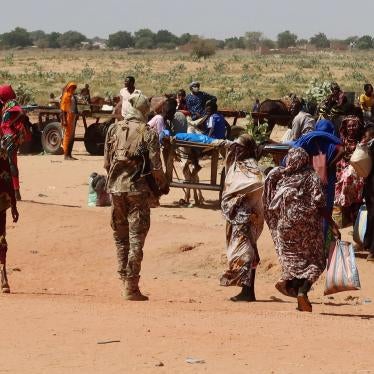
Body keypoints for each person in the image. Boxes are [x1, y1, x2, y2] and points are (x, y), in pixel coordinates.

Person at [104, 92, 168, 301]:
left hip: (115, 189)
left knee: (120, 237)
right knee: (136, 239)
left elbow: (106, 163)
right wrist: (162, 185)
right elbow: (156, 167)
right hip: (137, 191)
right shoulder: (147, 132)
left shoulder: (114, 129)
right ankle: (131, 287)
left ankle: (123, 279)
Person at [263, 147, 340, 312]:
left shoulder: (283, 178)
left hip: (285, 228)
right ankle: (302, 292)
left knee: (293, 261)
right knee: (316, 261)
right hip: (308, 230)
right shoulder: (311, 177)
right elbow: (319, 203)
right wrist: (331, 224)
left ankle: (291, 285)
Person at [220, 134, 264, 302]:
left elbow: (258, 186)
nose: (236, 149)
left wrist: (240, 201)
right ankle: (247, 290)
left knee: (246, 253)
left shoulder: (253, 169)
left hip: (248, 218)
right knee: (248, 252)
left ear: (248, 150)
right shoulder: (236, 165)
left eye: (240, 147)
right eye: (235, 147)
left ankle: (247, 291)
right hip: (235, 217)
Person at [291, 119, 344, 237]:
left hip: (309, 180)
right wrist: (329, 164)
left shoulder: (309, 141)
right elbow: (342, 150)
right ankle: (324, 239)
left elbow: (295, 148)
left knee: (311, 209)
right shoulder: (332, 144)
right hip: (327, 182)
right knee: (326, 208)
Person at [334, 116, 364, 224]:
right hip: (343, 167)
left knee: (352, 180)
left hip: (357, 168)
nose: (351, 128)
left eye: (354, 126)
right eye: (349, 126)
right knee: (345, 180)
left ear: (358, 127)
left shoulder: (361, 140)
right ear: (345, 128)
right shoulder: (342, 140)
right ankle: (347, 214)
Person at [0, 85, 27, 201]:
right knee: (11, 162)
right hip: (9, 137)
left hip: (9, 137)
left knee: (10, 163)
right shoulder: (6, 104)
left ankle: (14, 191)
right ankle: (15, 191)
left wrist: (11, 124)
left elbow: (21, 112)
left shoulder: (11, 103)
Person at [0, 141, 19, 293]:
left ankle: (3, 273)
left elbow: (7, 175)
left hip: (1, 201)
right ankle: (3, 275)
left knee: (1, 240)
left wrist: (13, 204)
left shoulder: (2, 150)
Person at [361, 125, 374, 261]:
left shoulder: (368, 146)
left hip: (370, 185)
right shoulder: (369, 146)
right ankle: (370, 248)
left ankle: (368, 245)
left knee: (371, 215)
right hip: (370, 185)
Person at [60, 82, 78, 160]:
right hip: (67, 117)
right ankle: (66, 155)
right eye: (72, 87)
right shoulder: (66, 96)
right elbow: (63, 109)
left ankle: (69, 154)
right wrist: (64, 120)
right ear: (68, 88)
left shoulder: (72, 96)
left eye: (74, 88)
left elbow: (74, 107)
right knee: (67, 136)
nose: (73, 89)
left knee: (71, 136)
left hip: (72, 117)